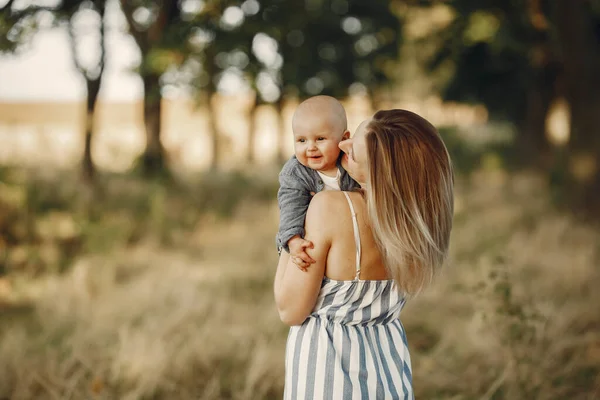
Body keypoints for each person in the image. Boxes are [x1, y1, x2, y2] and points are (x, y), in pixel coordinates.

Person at [274, 109, 454, 399]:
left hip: (326, 372)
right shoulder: (414, 228)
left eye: (353, 150)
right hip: (388, 365)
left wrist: (292, 228)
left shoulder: (327, 207)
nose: (341, 145)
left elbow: (290, 309)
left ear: (380, 171)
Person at [275, 95, 360, 267]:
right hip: (310, 241)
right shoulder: (296, 173)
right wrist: (293, 240)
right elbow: (291, 206)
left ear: (344, 139)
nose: (310, 147)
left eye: (320, 139)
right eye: (302, 140)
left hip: (347, 239)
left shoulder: (353, 162)